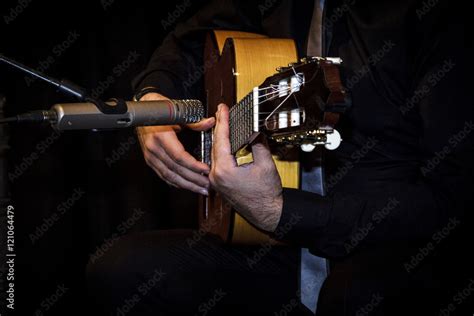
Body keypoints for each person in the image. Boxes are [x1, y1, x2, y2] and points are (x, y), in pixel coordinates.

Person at [86, 0, 474, 315]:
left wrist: (279, 210)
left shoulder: (439, 17)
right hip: (283, 247)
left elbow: (452, 200)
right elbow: (189, 40)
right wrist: (153, 104)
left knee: (352, 295)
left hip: (394, 243)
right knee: (120, 270)